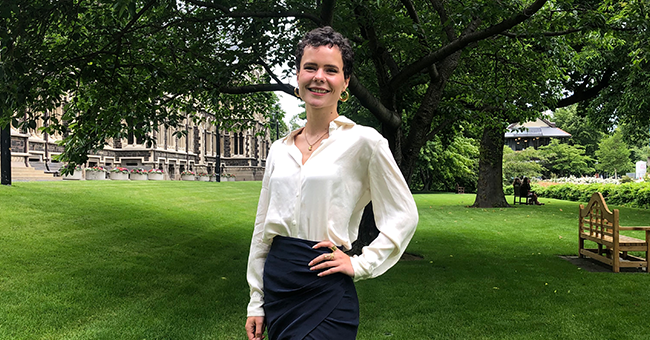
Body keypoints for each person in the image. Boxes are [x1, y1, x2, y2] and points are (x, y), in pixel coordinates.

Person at [245, 26, 419, 340]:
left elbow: (403, 214)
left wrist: (362, 263)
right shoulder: (278, 150)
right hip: (279, 286)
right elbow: (262, 228)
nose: (319, 77)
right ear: (298, 77)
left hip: (326, 284)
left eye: (331, 70)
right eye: (310, 67)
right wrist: (256, 301)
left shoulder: (365, 142)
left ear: (345, 82)